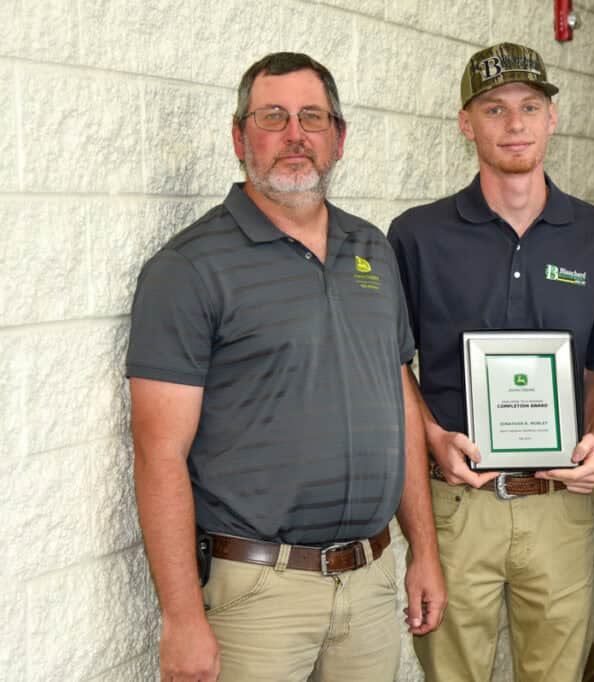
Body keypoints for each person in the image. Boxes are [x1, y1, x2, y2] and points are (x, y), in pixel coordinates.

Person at [127, 52, 445, 682]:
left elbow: (398, 403)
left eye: (312, 117)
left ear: (339, 138)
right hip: (258, 596)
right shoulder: (189, 268)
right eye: (273, 116)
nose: (295, 134)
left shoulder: (373, 250)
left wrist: (423, 554)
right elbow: (157, 454)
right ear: (239, 136)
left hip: (372, 578)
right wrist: (182, 617)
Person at [387, 43, 594, 681]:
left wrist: (593, 438)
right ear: (467, 124)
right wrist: (432, 436)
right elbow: (391, 362)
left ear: (552, 118)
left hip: (558, 503)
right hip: (457, 505)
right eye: (494, 109)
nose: (515, 123)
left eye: (530, 107)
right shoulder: (417, 235)